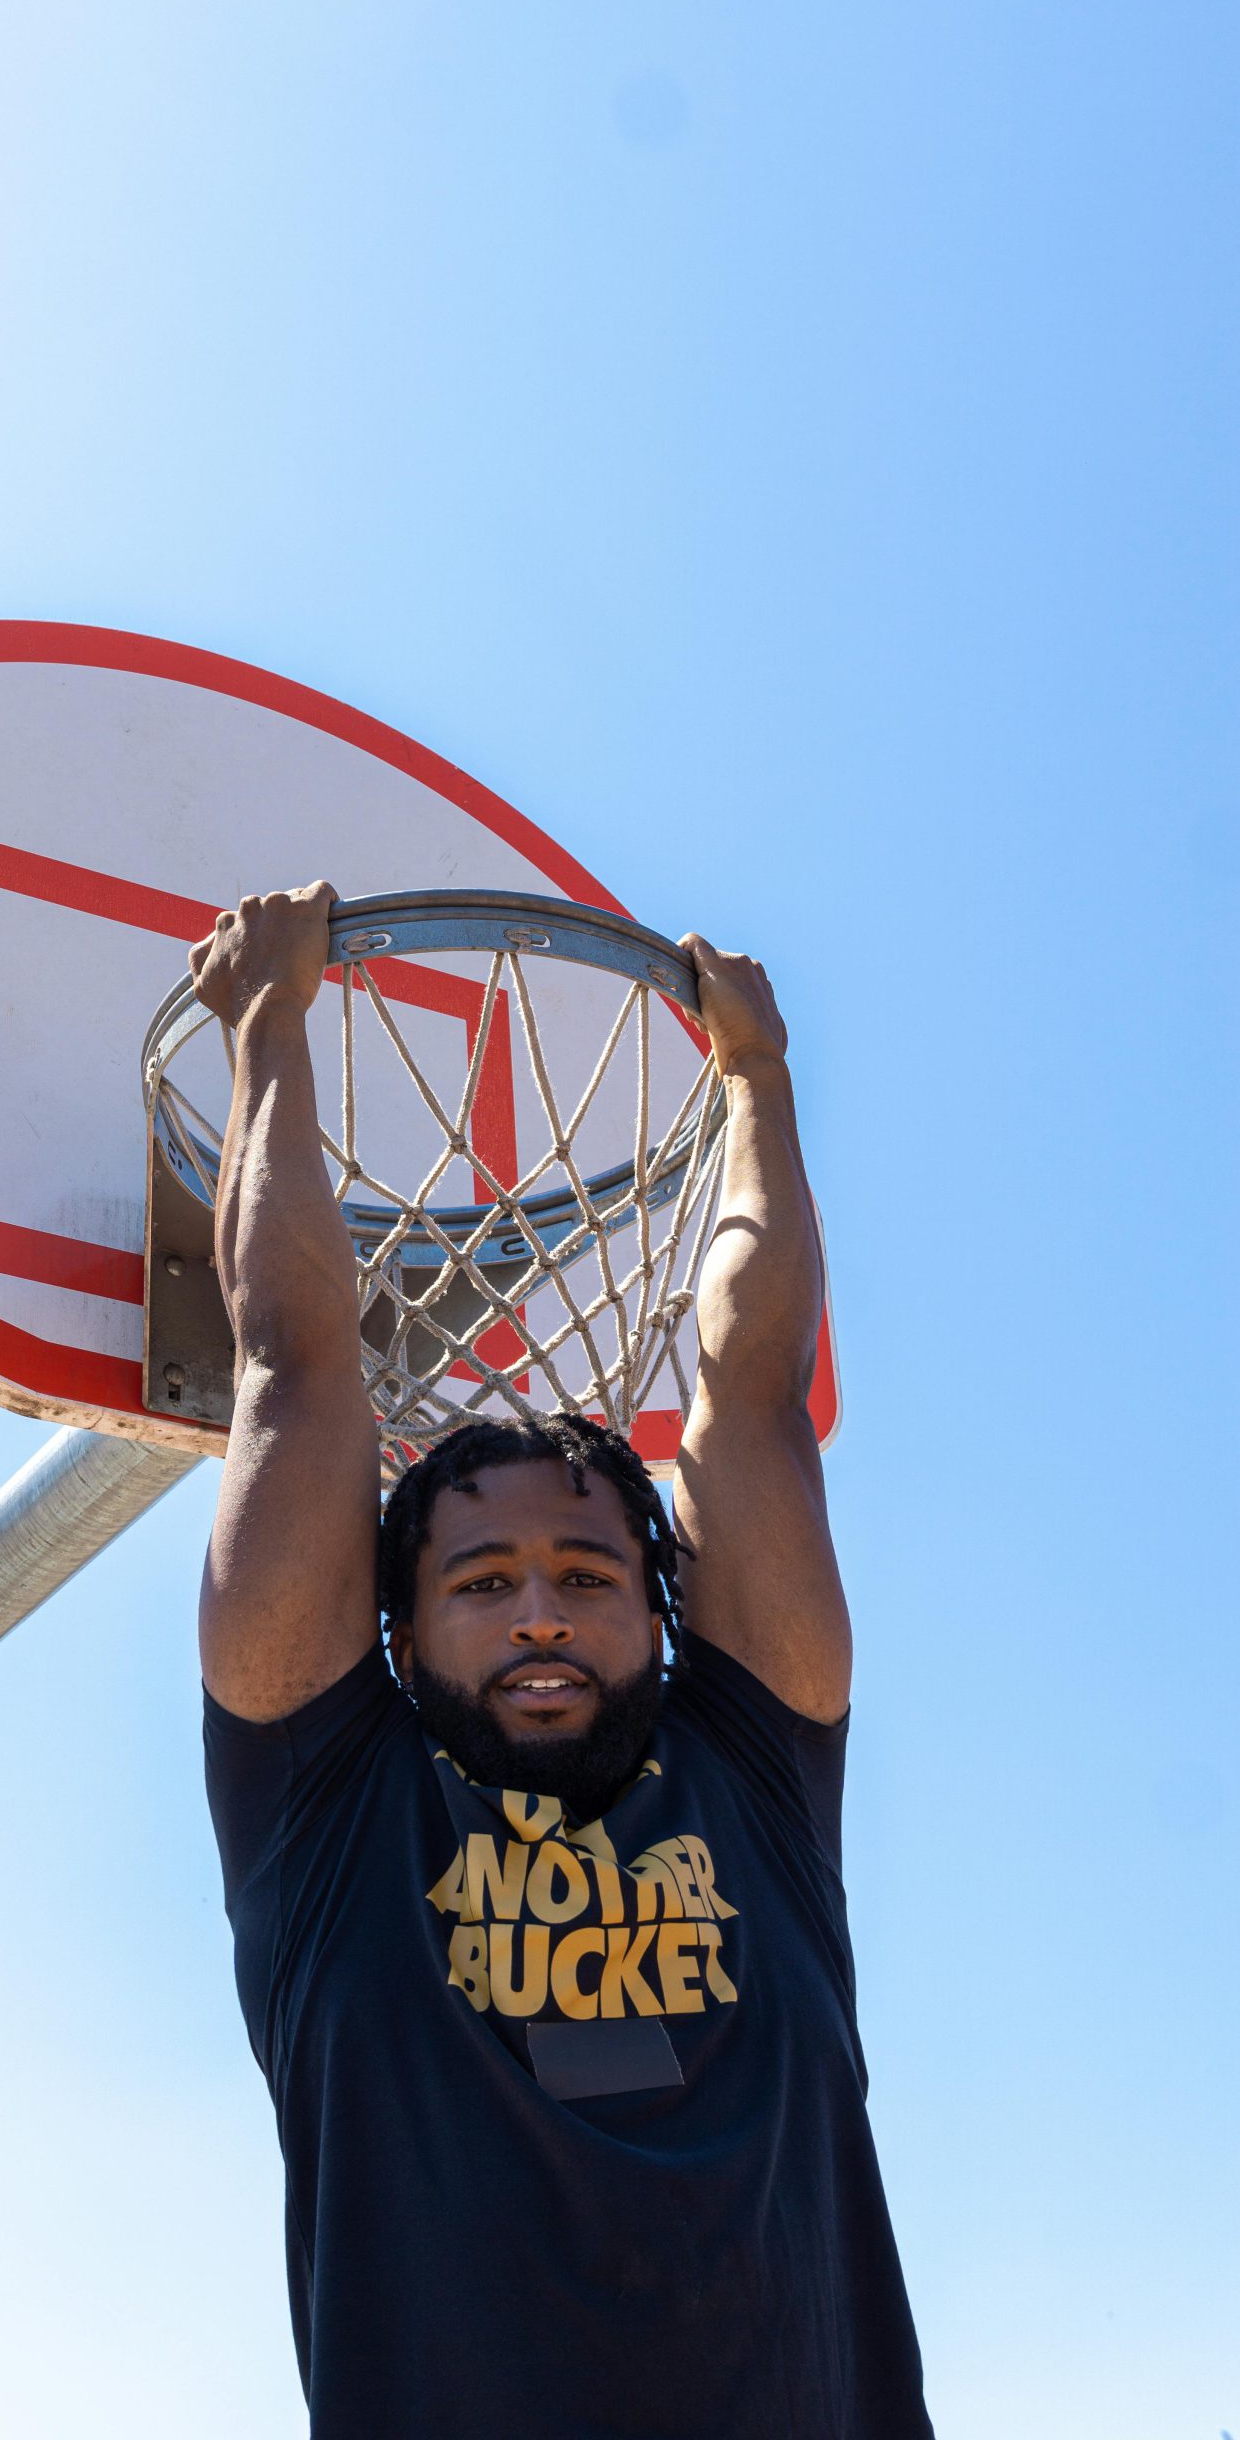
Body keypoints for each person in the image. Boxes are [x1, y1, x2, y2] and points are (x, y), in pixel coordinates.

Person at [191, 880, 932, 2440]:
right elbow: (295, 1369)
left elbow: (750, 1391)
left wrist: (759, 1085)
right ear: (396, 1629)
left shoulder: (758, 1780)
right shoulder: (331, 1818)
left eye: (589, 1572)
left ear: (663, 1612)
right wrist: (270, 1026)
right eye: (483, 1578)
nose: (539, 1608)